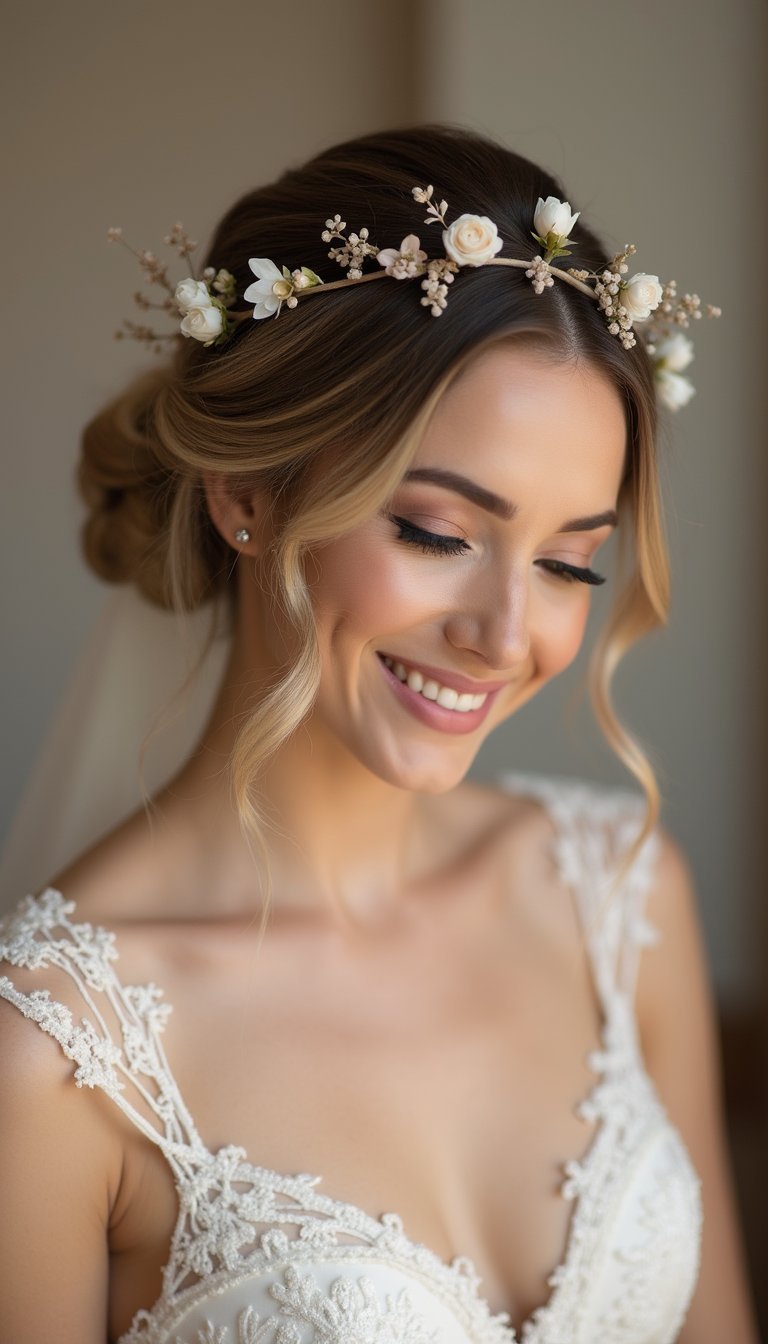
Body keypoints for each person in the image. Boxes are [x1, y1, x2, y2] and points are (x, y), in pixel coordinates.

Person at [0, 125, 757, 1344]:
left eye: (572, 563)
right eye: (436, 533)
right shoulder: (53, 1059)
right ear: (248, 495)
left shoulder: (618, 898)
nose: (509, 634)